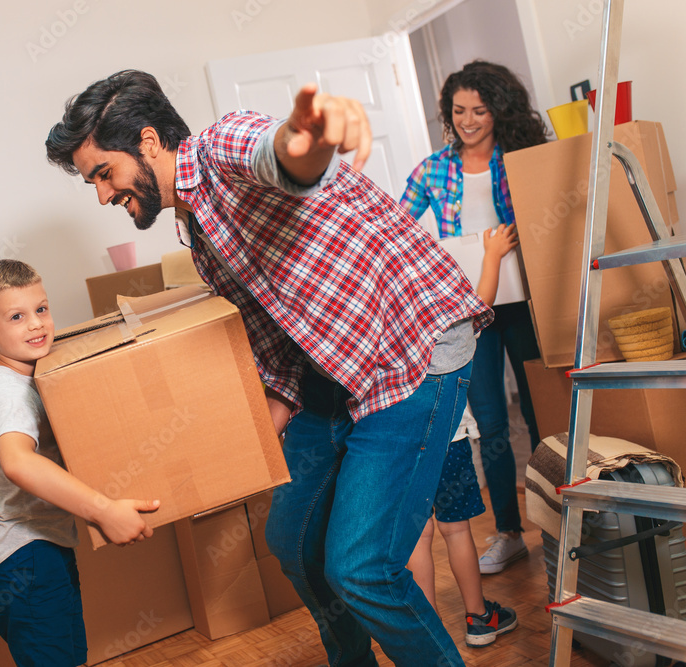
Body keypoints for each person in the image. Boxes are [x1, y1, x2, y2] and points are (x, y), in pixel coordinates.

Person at [46, 70, 492, 667]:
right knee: (293, 542)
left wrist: (313, 133)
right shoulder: (195, 228)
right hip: (336, 372)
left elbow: (286, 157)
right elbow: (274, 330)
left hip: (412, 347)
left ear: (149, 142)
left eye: (104, 173)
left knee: (362, 568)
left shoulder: (224, 147)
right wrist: (266, 414)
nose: (103, 195)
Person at [0, 258, 160, 667]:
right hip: (24, 557)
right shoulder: (8, 392)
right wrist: (103, 510)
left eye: (41, 309)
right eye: (16, 317)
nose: (36, 324)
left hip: (41, 549)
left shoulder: (32, 378)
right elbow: (18, 463)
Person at [399, 60, 548, 575]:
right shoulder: (433, 170)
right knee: (491, 421)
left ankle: (557, 524)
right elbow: (399, 229)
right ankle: (509, 533)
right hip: (472, 311)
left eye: (479, 110)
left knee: (540, 415)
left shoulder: (521, 160)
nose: (468, 120)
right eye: (458, 111)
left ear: (497, 110)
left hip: (527, 302)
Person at [406, 222, 521, 647]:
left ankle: (430, 631)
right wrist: (491, 255)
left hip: (401, 441)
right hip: (448, 439)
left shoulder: (384, 322)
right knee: (457, 531)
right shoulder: (443, 314)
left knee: (418, 534)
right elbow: (482, 302)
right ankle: (479, 619)